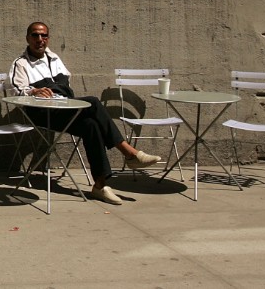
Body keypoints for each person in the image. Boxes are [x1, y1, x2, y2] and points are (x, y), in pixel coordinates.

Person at [9, 21, 160, 205]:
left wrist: (58, 93)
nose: (40, 39)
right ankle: (129, 153)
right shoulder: (21, 63)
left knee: (91, 125)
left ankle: (100, 186)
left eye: (44, 35)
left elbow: (66, 85)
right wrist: (33, 91)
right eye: (35, 35)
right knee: (94, 102)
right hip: (41, 113)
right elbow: (16, 90)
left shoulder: (54, 58)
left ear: (48, 38)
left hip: (64, 109)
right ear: (27, 38)